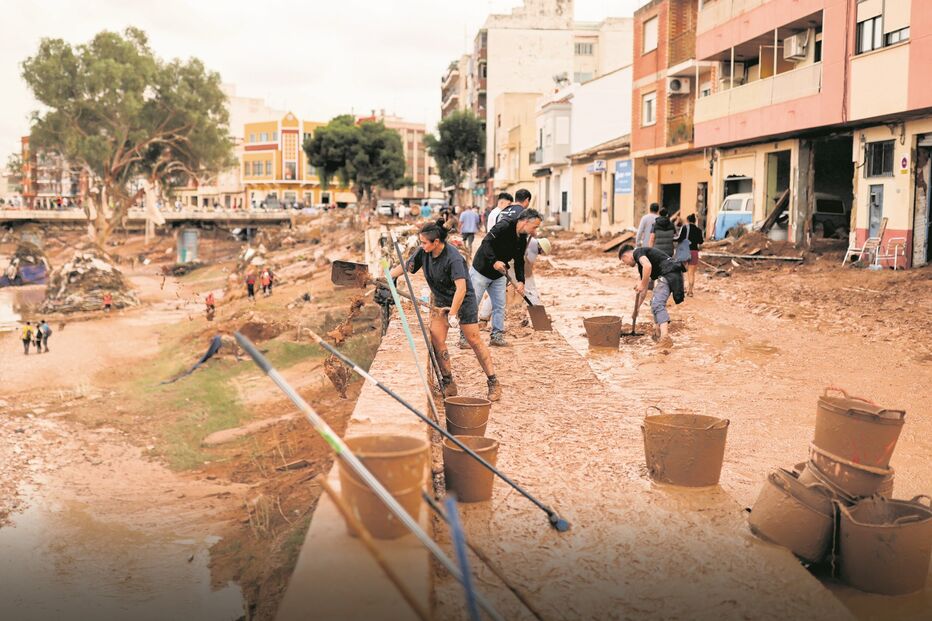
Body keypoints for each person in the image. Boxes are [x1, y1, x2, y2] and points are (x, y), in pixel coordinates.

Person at [389, 223, 501, 401]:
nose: (422, 245)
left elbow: (462, 288)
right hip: (440, 300)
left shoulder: (453, 258)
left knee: (473, 340)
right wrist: (387, 277)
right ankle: (448, 381)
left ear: (437, 242)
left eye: (425, 243)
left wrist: (453, 314)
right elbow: (405, 267)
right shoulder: (423, 252)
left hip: (463, 301)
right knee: (437, 339)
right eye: (421, 242)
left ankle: (493, 381)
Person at [466, 208, 543, 347]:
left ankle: (497, 336)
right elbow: (486, 242)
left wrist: (521, 281)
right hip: (481, 270)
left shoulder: (522, 239)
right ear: (525, 222)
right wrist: (494, 261)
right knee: (473, 304)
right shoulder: (504, 225)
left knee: (499, 306)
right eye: (535, 226)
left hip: (500, 273)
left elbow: (519, 261)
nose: (535, 230)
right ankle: (464, 337)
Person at [618, 244, 685, 349]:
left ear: (626, 255)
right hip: (671, 273)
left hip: (669, 274)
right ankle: (658, 334)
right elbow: (643, 291)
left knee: (657, 304)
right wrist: (636, 309)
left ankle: (665, 339)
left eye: (623, 261)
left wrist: (642, 284)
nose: (625, 264)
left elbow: (648, 266)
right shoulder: (641, 265)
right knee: (654, 302)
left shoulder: (637, 252)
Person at [677, 213, 704, 296]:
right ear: (695, 221)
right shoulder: (699, 230)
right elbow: (701, 242)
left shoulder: (684, 227)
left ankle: (682, 288)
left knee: (681, 270)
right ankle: (690, 291)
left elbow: (680, 238)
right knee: (691, 272)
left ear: (688, 220)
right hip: (694, 252)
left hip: (685, 251)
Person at [523, 236, 551, 306]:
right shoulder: (534, 247)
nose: (540, 253)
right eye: (541, 251)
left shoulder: (530, 241)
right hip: (512, 266)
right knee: (531, 291)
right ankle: (535, 306)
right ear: (540, 246)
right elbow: (528, 267)